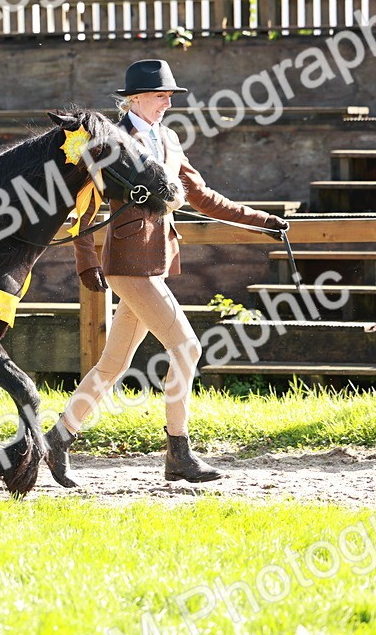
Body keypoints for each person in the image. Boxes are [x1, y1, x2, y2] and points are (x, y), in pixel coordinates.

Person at [45, 59, 289, 485]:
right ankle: (178, 451)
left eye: (169, 97)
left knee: (112, 366)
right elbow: (81, 203)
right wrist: (85, 257)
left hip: (155, 263)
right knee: (187, 348)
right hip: (127, 265)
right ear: (134, 98)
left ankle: (57, 438)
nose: (166, 103)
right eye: (160, 96)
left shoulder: (171, 139)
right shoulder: (109, 140)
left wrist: (261, 220)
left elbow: (204, 196)